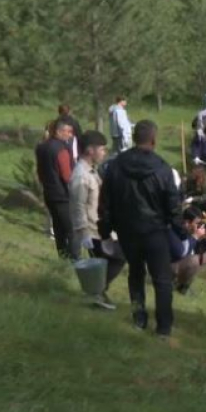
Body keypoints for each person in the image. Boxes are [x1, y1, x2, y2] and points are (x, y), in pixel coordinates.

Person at [99, 120, 183, 337]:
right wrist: (181, 231)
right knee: (162, 279)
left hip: (127, 230)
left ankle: (139, 318)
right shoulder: (163, 169)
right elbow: (173, 205)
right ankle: (163, 327)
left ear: (134, 138)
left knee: (135, 274)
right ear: (154, 140)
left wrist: (105, 230)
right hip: (155, 231)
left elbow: (105, 201)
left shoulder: (116, 166)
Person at [68, 130, 124, 308]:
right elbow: (78, 206)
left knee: (111, 260)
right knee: (117, 258)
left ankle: (97, 293)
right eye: (101, 149)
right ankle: (96, 293)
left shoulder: (91, 171)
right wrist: (83, 232)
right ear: (90, 150)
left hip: (99, 228)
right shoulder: (81, 176)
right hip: (91, 231)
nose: (104, 152)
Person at [36, 118, 75, 259]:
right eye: (68, 132)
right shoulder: (61, 149)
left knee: (58, 229)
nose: (70, 135)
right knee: (71, 230)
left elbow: (39, 171)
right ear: (59, 131)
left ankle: (62, 257)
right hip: (63, 195)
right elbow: (66, 175)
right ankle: (75, 260)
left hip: (49, 192)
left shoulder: (42, 147)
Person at [168, 207, 206, 295]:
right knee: (194, 261)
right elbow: (181, 253)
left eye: (200, 223)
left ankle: (183, 286)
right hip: (168, 266)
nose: (199, 226)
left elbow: (199, 251)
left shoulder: (191, 231)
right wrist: (195, 237)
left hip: (179, 264)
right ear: (187, 223)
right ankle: (175, 285)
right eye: (197, 223)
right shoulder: (177, 231)